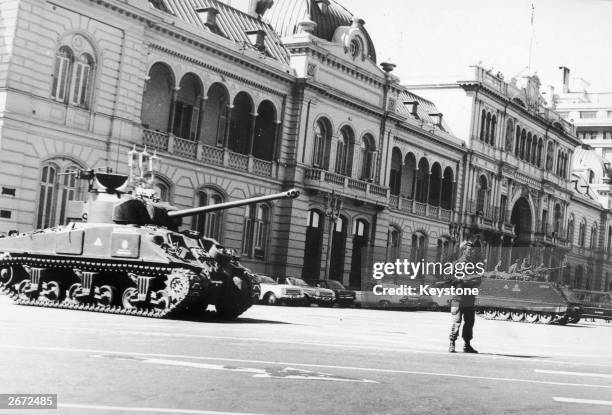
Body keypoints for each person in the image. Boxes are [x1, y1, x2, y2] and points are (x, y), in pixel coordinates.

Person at [448, 241, 483, 353]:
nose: (471, 252)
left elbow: (478, 280)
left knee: (469, 323)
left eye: (472, 250)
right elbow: (449, 279)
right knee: (456, 322)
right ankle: (452, 343)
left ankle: (467, 345)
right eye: (469, 250)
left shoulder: (475, 265)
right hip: (457, 299)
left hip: (470, 299)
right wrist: (462, 280)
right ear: (463, 250)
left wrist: (466, 281)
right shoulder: (456, 264)